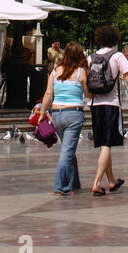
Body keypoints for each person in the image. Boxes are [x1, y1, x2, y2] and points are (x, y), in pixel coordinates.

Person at [87, 24, 128, 195]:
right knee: (107, 144)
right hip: (111, 105)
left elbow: (84, 80)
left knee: (105, 143)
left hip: (95, 105)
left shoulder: (91, 58)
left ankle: (111, 181)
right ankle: (97, 183)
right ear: (115, 39)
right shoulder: (117, 56)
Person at [35, 42, 90, 196]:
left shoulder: (55, 72)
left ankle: (74, 183)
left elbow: (48, 94)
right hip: (74, 114)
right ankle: (60, 186)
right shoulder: (81, 72)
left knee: (68, 148)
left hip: (57, 114)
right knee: (67, 151)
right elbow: (88, 94)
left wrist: (42, 113)